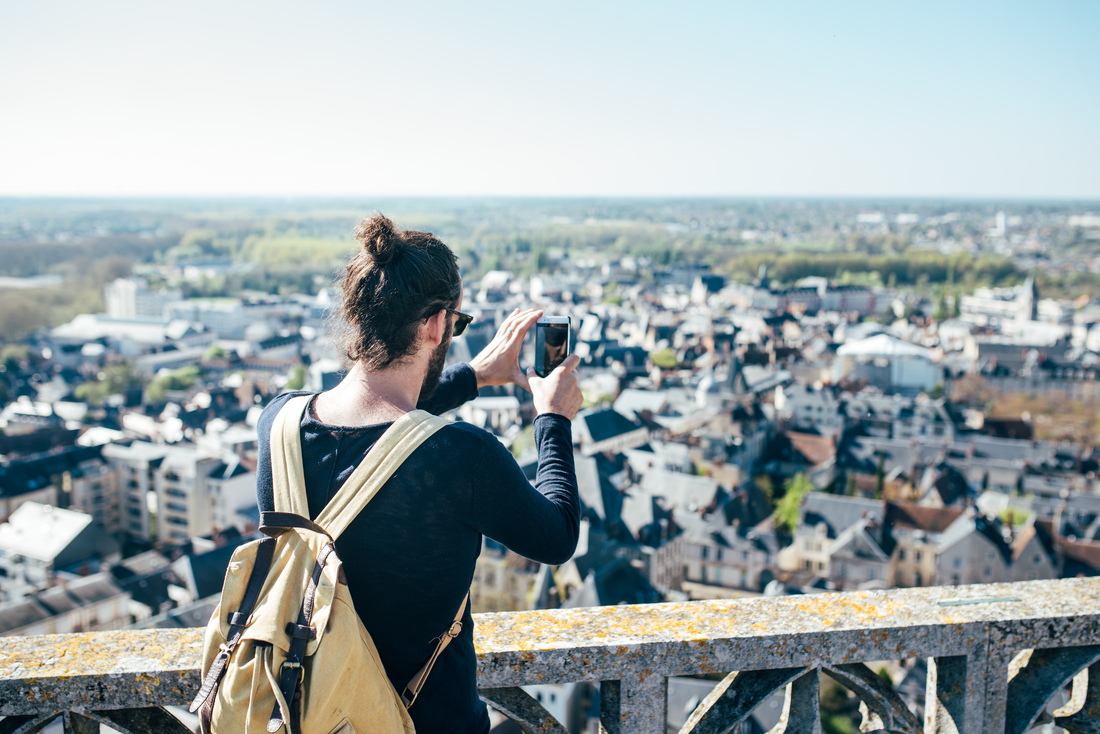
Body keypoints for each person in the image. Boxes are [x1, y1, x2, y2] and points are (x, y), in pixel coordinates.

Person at [255, 214, 583, 733]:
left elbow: (377, 419)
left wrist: (473, 377)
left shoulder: (278, 424)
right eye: (456, 324)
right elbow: (558, 536)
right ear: (435, 325)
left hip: (301, 715)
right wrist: (553, 419)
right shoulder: (461, 456)